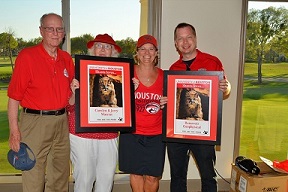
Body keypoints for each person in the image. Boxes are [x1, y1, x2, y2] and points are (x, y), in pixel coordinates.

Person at [160, 22, 231, 192]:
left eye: (189, 37)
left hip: (203, 132)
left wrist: (226, 86)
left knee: (208, 176)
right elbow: (174, 101)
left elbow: (226, 89)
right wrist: (166, 102)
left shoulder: (212, 62)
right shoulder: (173, 69)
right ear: (176, 43)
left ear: (195, 39)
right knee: (177, 176)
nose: (185, 42)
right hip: (177, 133)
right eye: (180, 39)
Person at [7, 13, 74, 192]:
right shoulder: (27, 56)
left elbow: (71, 95)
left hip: (61, 120)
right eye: (49, 28)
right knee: (33, 172)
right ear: (41, 31)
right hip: (35, 122)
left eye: (59, 29)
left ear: (64, 33)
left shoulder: (67, 59)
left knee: (60, 174)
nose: (55, 33)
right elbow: (14, 98)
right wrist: (14, 132)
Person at [68, 33, 122, 192]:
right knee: (84, 179)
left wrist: (131, 89)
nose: (103, 50)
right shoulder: (79, 69)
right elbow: (69, 105)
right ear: (92, 49)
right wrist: (73, 92)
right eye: (99, 45)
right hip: (82, 132)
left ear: (113, 51)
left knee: (106, 180)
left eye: (107, 47)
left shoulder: (120, 74)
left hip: (109, 133)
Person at [118, 34, 166, 192]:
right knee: (136, 173)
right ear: (137, 53)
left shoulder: (165, 77)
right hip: (132, 133)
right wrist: (127, 92)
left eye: (151, 49)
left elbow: (175, 104)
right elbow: (115, 101)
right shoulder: (126, 72)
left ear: (156, 53)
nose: (147, 53)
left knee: (153, 176)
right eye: (143, 49)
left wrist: (167, 104)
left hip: (156, 134)